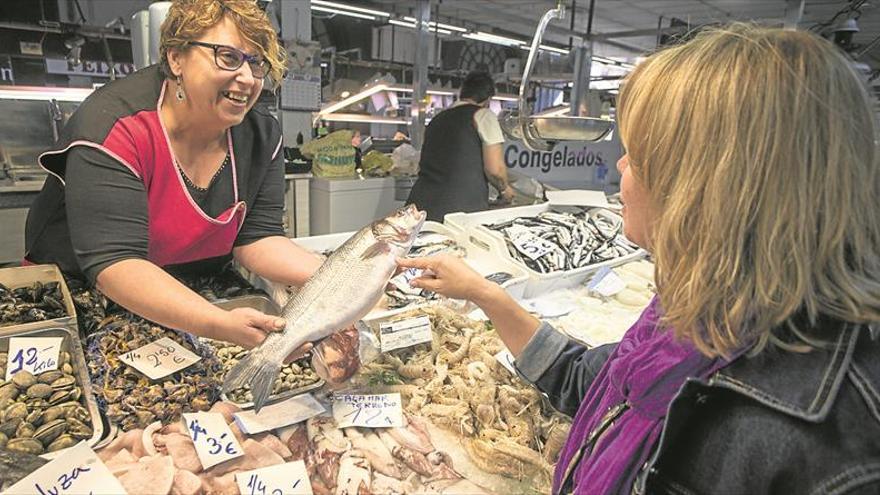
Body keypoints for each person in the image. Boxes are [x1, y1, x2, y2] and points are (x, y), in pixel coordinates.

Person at [399, 24, 880, 494]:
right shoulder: (695, 319)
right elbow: (587, 381)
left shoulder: (828, 451)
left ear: (707, 189)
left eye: (639, 155)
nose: (620, 167)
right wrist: (485, 294)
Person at [25, 0, 321, 357]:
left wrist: (354, 273)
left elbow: (257, 239)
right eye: (227, 56)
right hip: (89, 292)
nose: (246, 77)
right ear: (176, 58)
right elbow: (116, 262)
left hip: (190, 287)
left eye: (256, 62)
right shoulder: (114, 127)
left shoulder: (261, 135)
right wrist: (217, 323)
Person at [406, 71, 515, 222]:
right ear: (488, 99)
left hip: (419, 206)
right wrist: (505, 189)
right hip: (458, 211)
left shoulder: (437, 119)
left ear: (462, 92)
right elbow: (495, 170)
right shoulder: (484, 115)